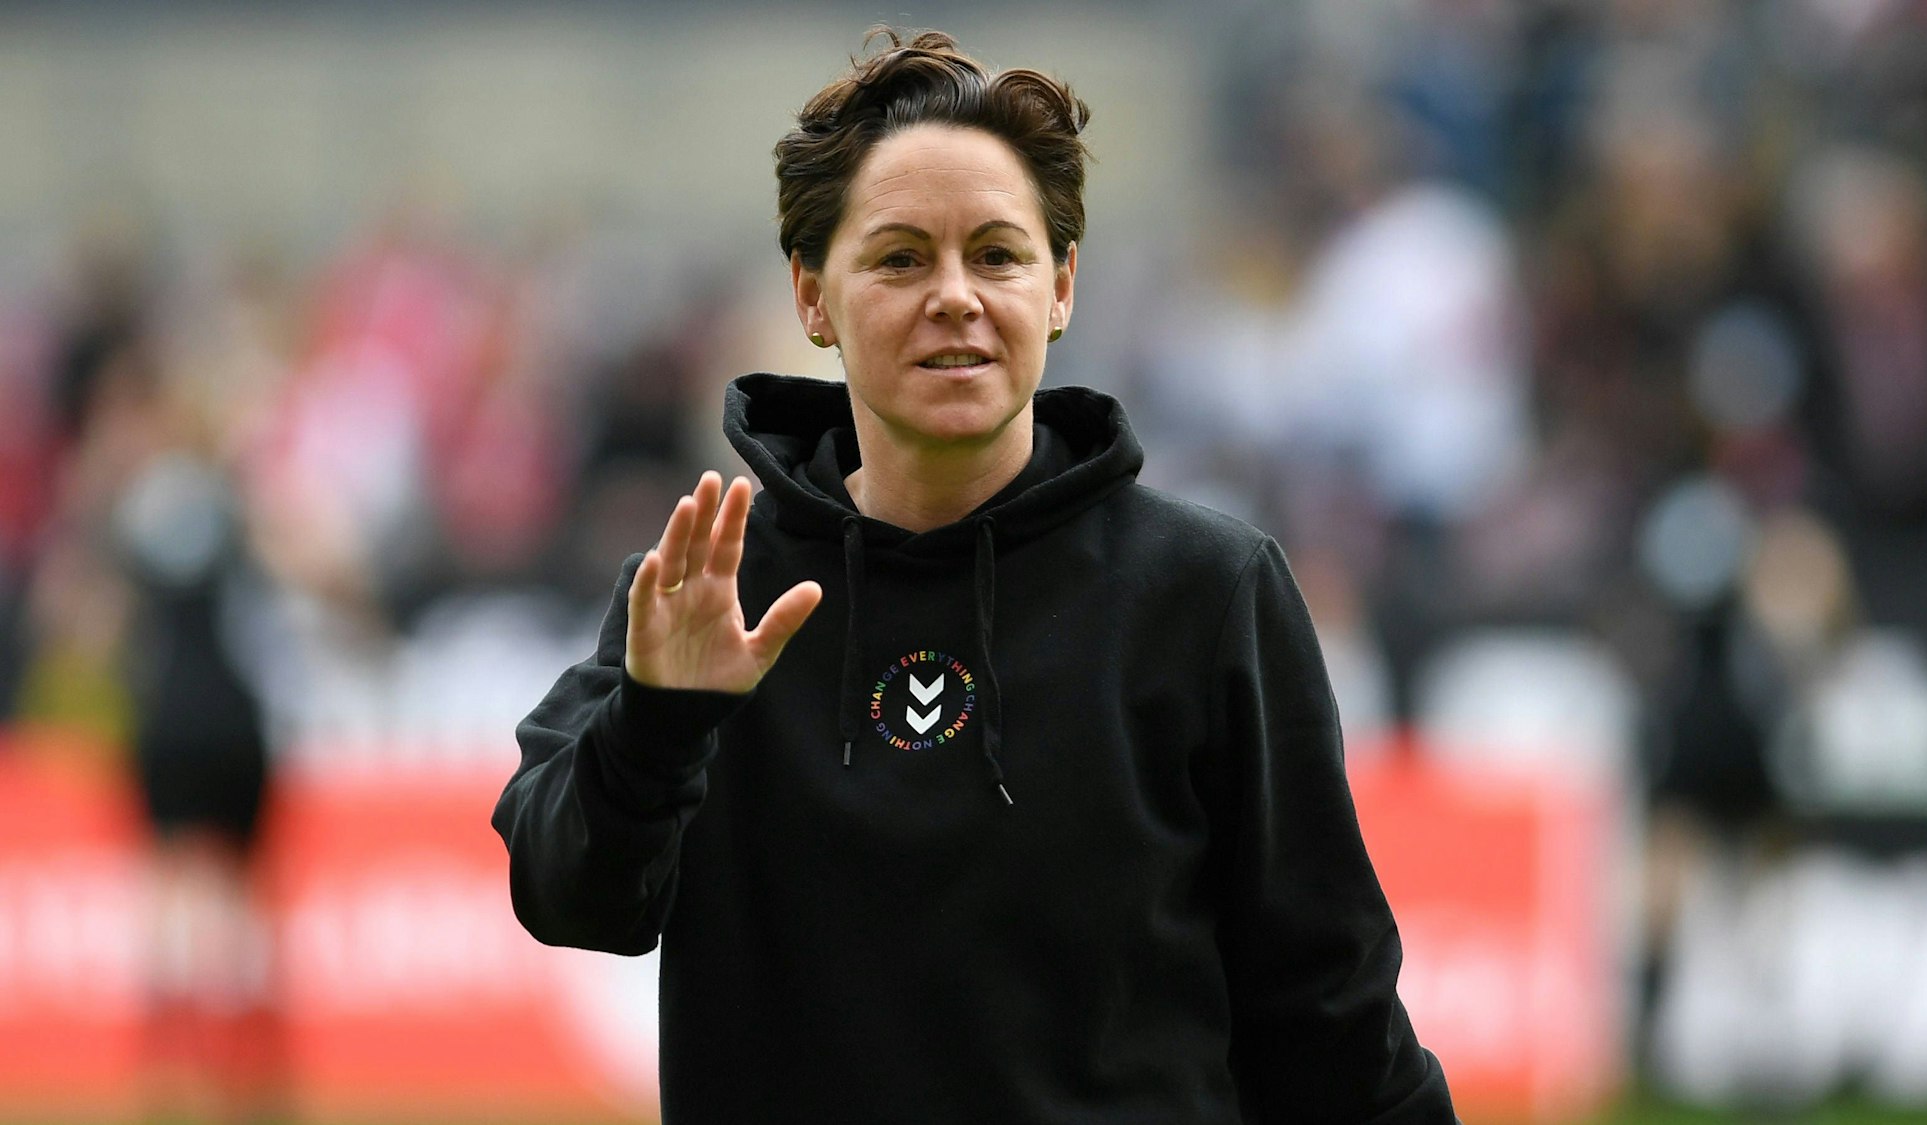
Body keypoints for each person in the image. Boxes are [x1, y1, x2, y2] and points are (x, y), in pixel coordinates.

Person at [493, 28, 1455, 1124]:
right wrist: (659, 724)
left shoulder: (1207, 590)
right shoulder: (704, 585)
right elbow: (571, 901)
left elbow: (1329, 1009)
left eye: (995, 254)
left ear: (1060, 287)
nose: (953, 295)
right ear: (812, 296)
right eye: (899, 257)